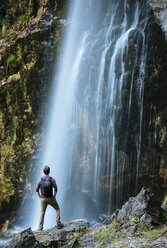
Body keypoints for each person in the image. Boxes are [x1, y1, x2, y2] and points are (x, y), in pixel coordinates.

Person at [36, 165, 64, 230]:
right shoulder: (52, 179)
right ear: (49, 171)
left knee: (42, 212)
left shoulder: (40, 179)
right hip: (51, 198)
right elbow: (56, 188)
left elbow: (36, 189)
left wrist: (40, 197)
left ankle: (40, 227)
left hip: (43, 199)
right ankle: (58, 223)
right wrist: (54, 196)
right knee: (57, 209)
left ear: (43, 172)